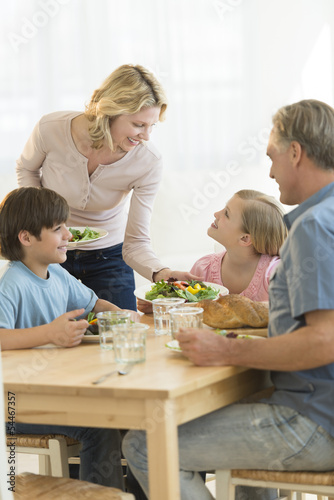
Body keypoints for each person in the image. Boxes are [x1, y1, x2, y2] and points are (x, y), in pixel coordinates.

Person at [123, 98, 334, 500]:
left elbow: (324, 340)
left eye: (272, 157)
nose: (270, 171)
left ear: (296, 152)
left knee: (143, 444)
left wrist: (223, 351)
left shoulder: (314, 226)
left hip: (315, 420)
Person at [16, 64, 199, 312]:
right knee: (51, 334)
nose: (146, 136)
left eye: (152, 126)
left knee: (120, 330)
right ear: (110, 112)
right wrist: (40, 221)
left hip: (110, 257)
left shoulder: (147, 161)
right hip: (50, 251)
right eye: (138, 125)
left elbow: (135, 242)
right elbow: (27, 169)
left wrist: (162, 273)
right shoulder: (52, 128)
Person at [0, 186, 140, 489]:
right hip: (16, 403)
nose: (69, 235)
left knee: (133, 416)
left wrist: (122, 315)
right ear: (26, 238)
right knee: (99, 429)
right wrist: (50, 333)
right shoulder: (12, 284)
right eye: (58, 229)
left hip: (52, 390)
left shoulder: (57, 273)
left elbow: (94, 304)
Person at [137, 189, 287, 315]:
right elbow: (188, 309)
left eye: (226, 214)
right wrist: (164, 305)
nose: (216, 213)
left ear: (244, 238)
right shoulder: (203, 268)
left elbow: (288, 316)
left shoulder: (276, 274)